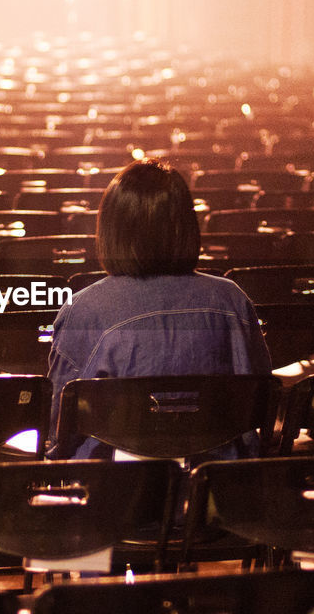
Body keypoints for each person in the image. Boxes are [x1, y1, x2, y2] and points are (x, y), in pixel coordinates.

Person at [45, 159, 272, 459]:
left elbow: (58, 425)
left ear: (111, 230)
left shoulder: (85, 309)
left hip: (114, 491)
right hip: (217, 484)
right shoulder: (231, 299)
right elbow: (261, 400)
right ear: (186, 226)